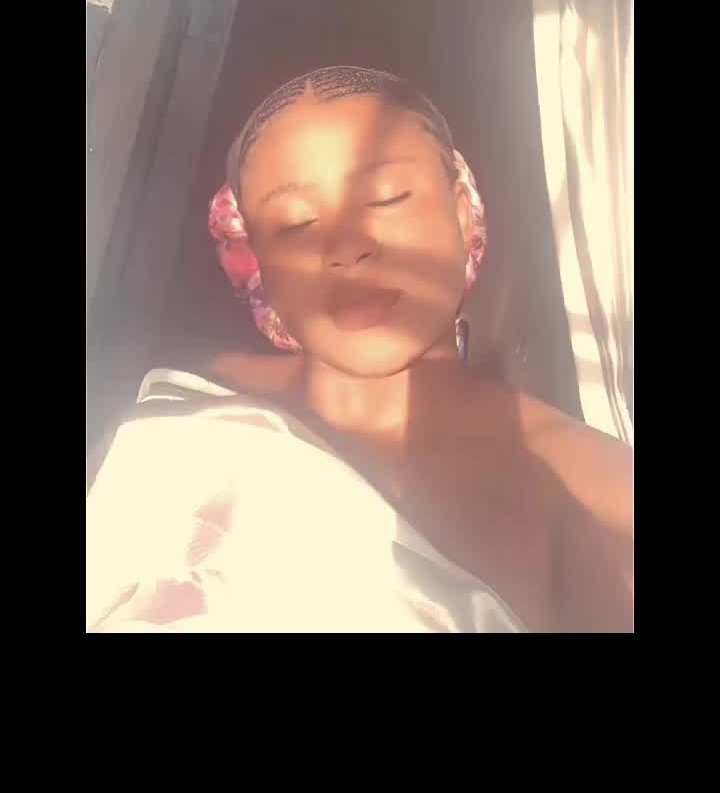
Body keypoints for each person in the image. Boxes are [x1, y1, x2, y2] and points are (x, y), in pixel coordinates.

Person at [87, 66, 633, 634]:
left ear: (462, 212)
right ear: (258, 259)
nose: (346, 246)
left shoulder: (596, 496)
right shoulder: (179, 408)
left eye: (387, 197)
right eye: (295, 223)